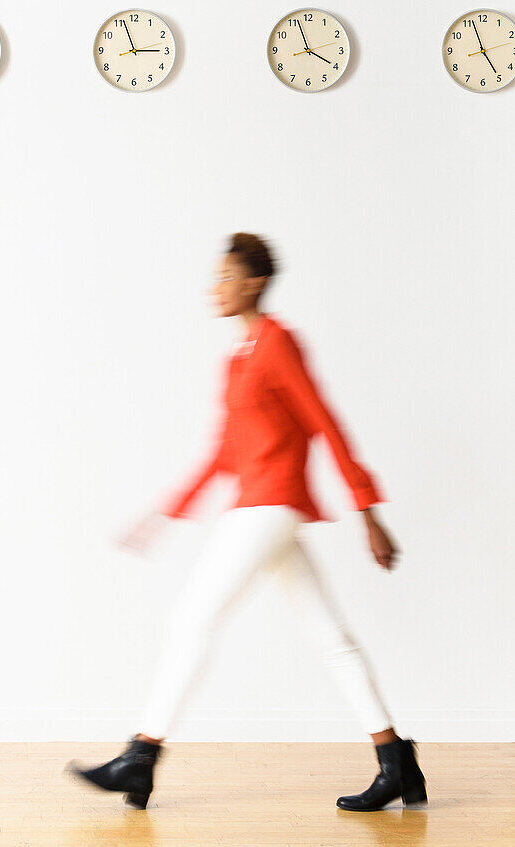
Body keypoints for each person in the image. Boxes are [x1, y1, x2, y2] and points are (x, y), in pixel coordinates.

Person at [66, 233, 426, 812]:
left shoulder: (280, 343)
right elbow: (223, 452)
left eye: (227, 277)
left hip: (272, 505)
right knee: (331, 639)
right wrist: (166, 513)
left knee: (190, 620)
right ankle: (397, 764)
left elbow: (324, 421)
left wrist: (368, 511)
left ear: (255, 282)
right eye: (216, 277)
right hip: (257, 506)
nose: (217, 287)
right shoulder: (235, 362)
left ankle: (140, 757)